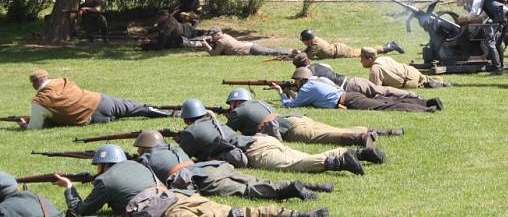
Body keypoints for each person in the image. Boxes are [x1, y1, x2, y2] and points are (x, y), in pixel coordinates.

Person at [52, 144, 322, 217]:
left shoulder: (104, 181)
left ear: (102, 164)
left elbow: (79, 211)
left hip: (170, 211)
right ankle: (297, 214)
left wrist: (69, 188)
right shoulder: (136, 166)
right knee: (236, 212)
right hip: (181, 198)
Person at [178, 99, 381, 176]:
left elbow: (184, 162)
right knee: (302, 155)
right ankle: (359, 153)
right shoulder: (215, 122)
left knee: (297, 165)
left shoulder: (190, 132)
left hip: (255, 150)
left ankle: (339, 161)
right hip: (264, 140)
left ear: (186, 119)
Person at [134, 130, 330, 201]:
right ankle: (310, 185)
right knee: (254, 179)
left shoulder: (145, 159)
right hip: (215, 166)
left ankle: (289, 190)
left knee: (246, 190)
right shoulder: (173, 149)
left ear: (144, 148)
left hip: (200, 178)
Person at [225, 88, 402, 146]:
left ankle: (361, 138)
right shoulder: (259, 102)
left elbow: (226, 133)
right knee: (333, 129)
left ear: (235, 102)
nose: (230, 108)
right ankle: (382, 131)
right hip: (296, 117)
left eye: (230, 105)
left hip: (289, 127)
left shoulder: (237, 112)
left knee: (323, 136)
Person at [17, 69, 173, 130]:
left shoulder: (39, 102)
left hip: (94, 119)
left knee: (125, 112)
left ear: (34, 85)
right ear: (47, 77)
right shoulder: (63, 80)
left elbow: (35, 127)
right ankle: (169, 112)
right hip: (101, 101)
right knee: (134, 107)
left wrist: (25, 125)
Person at [273, 68, 442, 113]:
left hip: (349, 100)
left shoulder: (307, 88)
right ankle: (427, 102)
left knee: (386, 106)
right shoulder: (317, 80)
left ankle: (426, 108)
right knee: (388, 101)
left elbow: (291, 106)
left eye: (296, 81)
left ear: (301, 80)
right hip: (348, 95)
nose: (296, 83)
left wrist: (281, 92)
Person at [293, 52, 422, 100]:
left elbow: (309, 92)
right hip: (352, 81)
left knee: (380, 97)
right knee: (383, 91)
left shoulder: (307, 75)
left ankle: (411, 98)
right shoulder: (321, 65)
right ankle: (413, 96)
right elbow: (329, 70)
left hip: (349, 89)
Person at [456, 0, 507, 74]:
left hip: (499, 17)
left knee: (490, 42)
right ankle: (500, 67)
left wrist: (463, 19)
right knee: (498, 43)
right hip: (505, 16)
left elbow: (475, 12)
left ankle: (497, 68)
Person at [360, 47, 449, 89]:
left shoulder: (375, 69)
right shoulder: (384, 58)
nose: (361, 61)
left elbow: (375, 89)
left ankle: (431, 84)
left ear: (370, 59)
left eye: (362, 58)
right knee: (426, 80)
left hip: (409, 81)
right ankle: (441, 83)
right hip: (413, 71)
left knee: (422, 84)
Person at [298, 29, 404, 59]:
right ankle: (389, 45)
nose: (303, 42)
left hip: (343, 52)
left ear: (308, 40)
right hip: (339, 48)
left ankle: (390, 46)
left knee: (366, 52)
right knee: (365, 50)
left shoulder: (316, 45)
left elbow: (308, 57)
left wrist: (296, 55)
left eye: (303, 40)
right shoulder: (313, 41)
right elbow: (306, 51)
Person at [141, 9, 205, 51]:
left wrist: (149, 36)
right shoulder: (163, 21)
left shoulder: (171, 22)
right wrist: (149, 30)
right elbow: (158, 29)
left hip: (186, 32)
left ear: (164, 16)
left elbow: (164, 34)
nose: (159, 19)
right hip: (182, 32)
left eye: (160, 17)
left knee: (199, 34)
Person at [203, 28, 293, 57]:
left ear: (218, 34)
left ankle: (290, 52)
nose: (211, 37)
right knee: (271, 50)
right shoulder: (225, 36)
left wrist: (206, 45)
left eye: (213, 35)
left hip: (250, 49)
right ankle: (290, 51)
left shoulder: (221, 41)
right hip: (251, 46)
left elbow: (215, 54)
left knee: (271, 52)